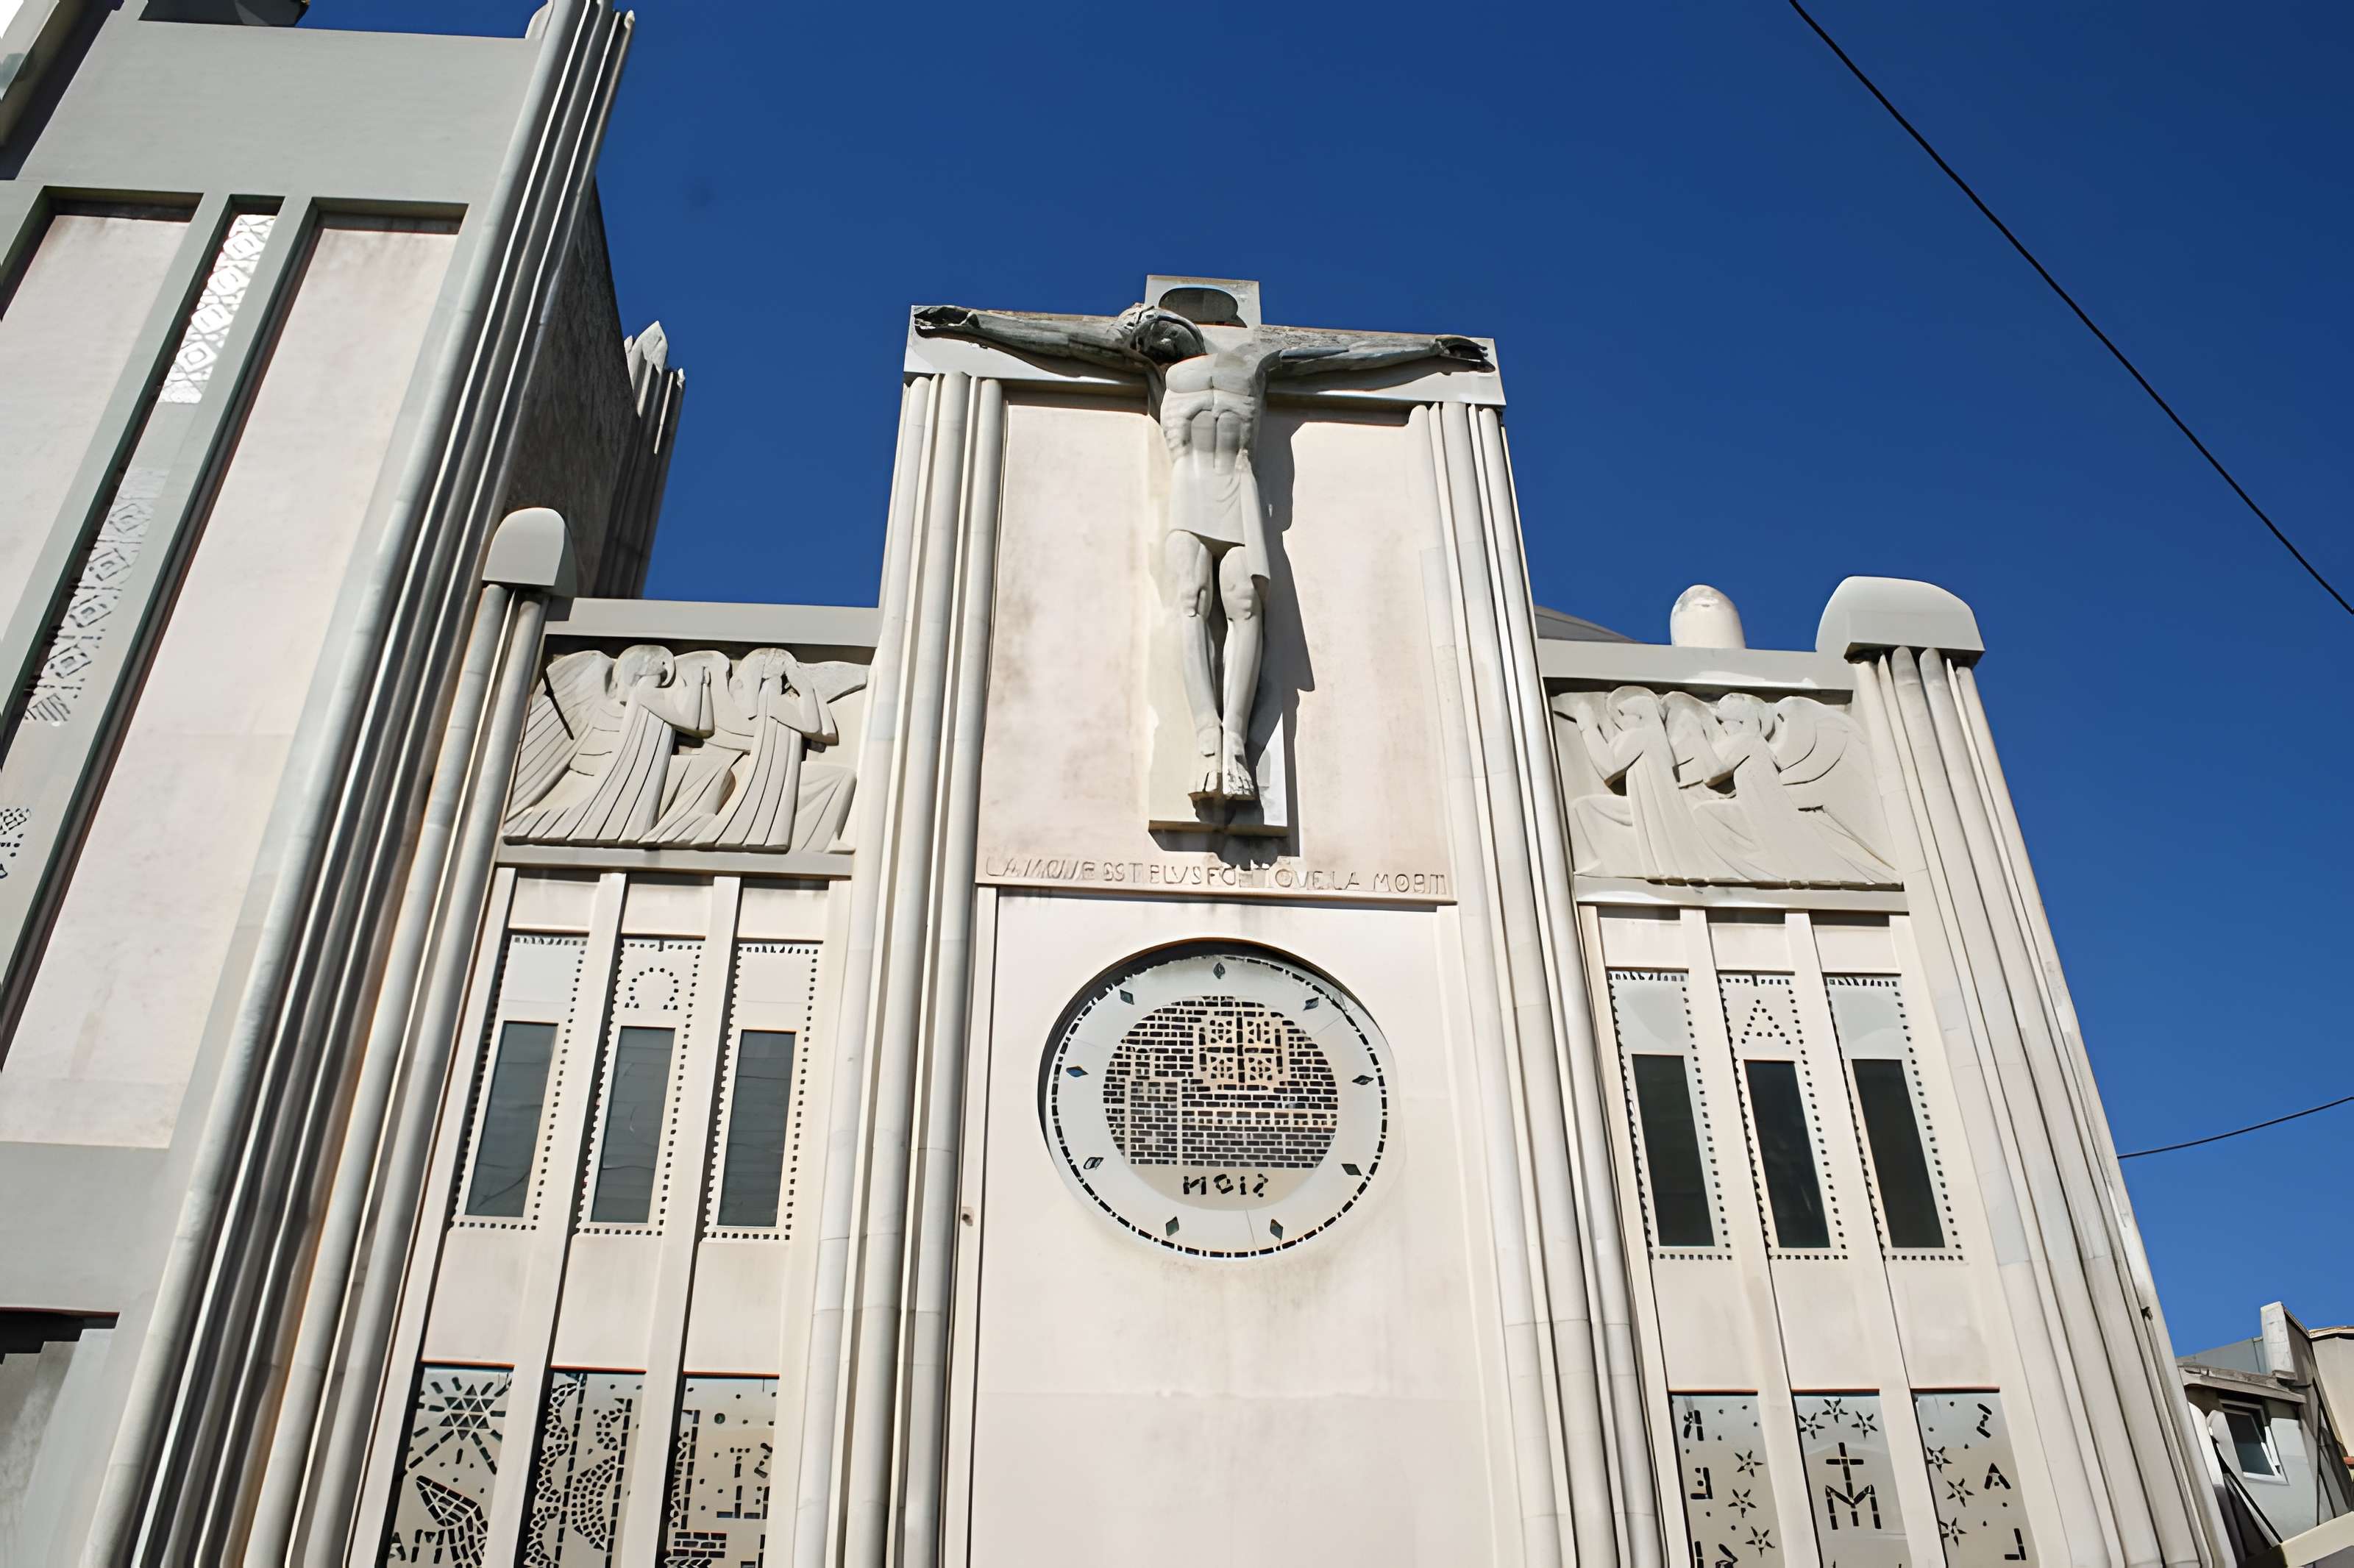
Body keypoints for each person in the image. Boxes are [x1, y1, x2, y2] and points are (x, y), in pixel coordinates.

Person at [914, 301, 1488, 803]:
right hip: (1189, 492)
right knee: (1190, 600)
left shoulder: (1257, 357)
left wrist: (1426, 351)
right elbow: (1064, 343)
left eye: (1148, 329)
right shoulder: (1158, 372)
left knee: (1245, 605)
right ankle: (1207, 737)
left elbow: (1340, 354)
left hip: (1240, 490)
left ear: (1169, 320)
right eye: (1137, 338)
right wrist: (980, 326)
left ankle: (1234, 738)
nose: (1147, 340)